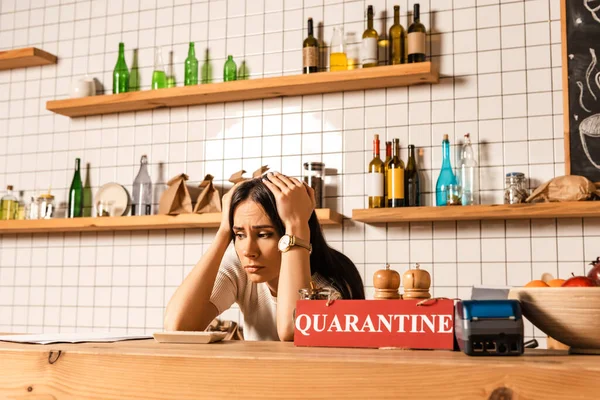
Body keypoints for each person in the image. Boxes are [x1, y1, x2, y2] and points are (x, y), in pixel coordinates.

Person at [164, 172, 365, 341]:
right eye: (240, 234)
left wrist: (296, 223)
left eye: (263, 234)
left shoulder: (327, 286)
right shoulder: (240, 265)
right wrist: (224, 231)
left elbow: (294, 329)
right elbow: (177, 326)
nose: (248, 250)